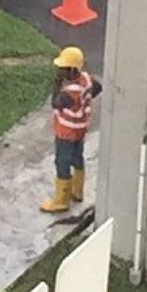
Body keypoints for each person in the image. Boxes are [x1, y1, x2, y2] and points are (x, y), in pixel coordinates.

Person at [40, 45, 101, 213]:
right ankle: (77, 191)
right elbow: (98, 88)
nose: (60, 71)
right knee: (77, 157)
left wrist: (57, 84)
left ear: (72, 70)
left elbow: (55, 103)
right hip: (80, 129)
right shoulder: (87, 80)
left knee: (62, 162)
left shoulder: (70, 93)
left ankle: (61, 200)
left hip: (66, 132)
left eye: (63, 69)